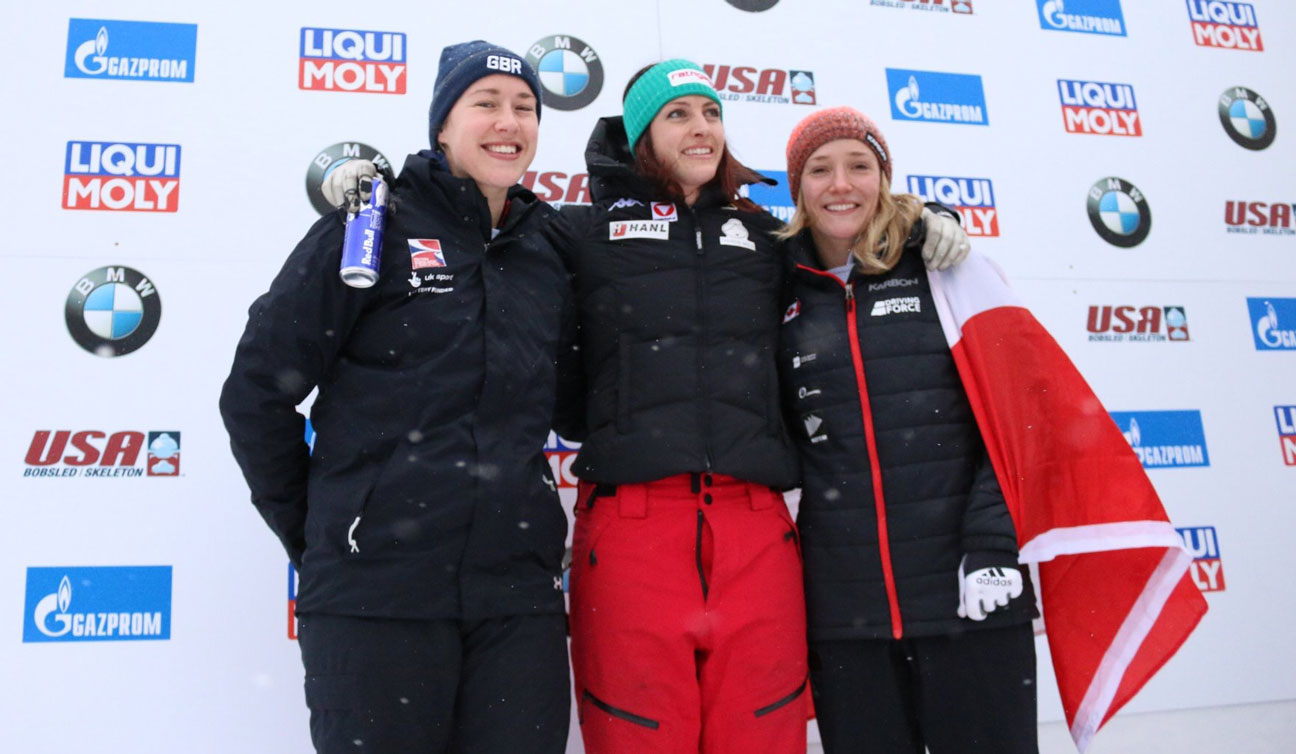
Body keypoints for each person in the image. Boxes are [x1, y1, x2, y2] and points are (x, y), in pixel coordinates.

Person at [322, 62, 970, 754]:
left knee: (762, 734)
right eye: (678, 114)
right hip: (633, 532)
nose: (701, 128)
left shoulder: (765, 239)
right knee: (638, 738)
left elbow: (852, 230)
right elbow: (475, 215)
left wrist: (928, 223)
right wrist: (377, 195)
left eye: (711, 113)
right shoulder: (576, 232)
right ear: (641, 136)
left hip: (756, 531)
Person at [219, 41, 576, 754]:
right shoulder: (370, 223)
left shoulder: (548, 247)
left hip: (516, 605)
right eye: (486, 103)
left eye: (525, 108)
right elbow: (256, 391)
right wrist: (326, 530)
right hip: (374, 596)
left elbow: (576, 400)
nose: (508, 121)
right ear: (442, 124)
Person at [775, 106, 1037, 754]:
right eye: (820, 169)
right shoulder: (776, 291)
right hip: (846, 615)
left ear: (885, 178)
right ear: (797, 188)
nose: (841, 184)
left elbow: (1017, 420)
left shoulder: (949, 270)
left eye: (859, 166)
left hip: (968, 593)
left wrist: (995, 546)